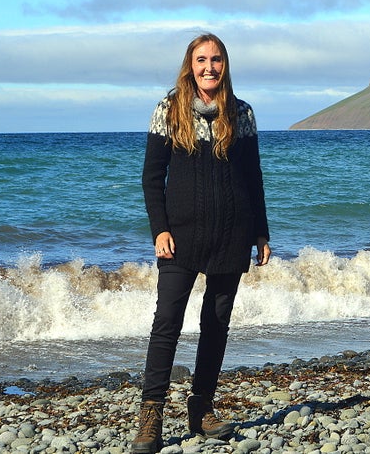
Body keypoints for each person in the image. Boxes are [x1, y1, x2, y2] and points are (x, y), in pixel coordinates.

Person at [132, 33, 271, 453]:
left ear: (225, 65)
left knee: (216, 324)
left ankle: (201, 409)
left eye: (216, 60)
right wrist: (160, 229)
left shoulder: (241, 113)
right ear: (189, 65)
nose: (208, 67)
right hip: (181, 236)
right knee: (167, 324)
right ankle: (151, 415)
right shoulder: (168, 110)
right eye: (201, 60)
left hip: (232, 234)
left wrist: (261, 231)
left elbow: (253, 178)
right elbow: (152, 178)